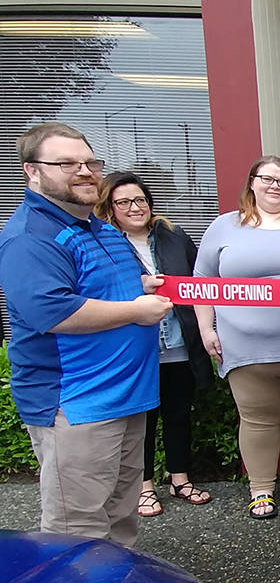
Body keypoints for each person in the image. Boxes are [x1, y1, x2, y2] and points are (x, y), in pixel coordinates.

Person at [0, 122, 171, 545]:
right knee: (75, 531)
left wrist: (141, 288)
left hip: (128, 396)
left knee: (120, 518)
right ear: (32, 171)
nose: (84, 171)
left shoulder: (102, 229)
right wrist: (135, 309)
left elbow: (101, 288)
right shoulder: (30, 237)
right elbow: (53, 311)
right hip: (76, 404)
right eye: (66, 163)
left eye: (90, 162)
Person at [194, 156, 280, 521]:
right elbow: (202, 282)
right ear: (251, 183)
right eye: (266, 179)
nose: (275, 186)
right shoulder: (224, 227)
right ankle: (261, 488)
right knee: (256, 418)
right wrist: (207, 328)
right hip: (245, 346)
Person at [95, 172, 215, 517]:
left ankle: (180, 478)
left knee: (179, 415)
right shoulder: (105, 243)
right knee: (142, 421)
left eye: (140, 200)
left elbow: (199, 282)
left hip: (178, 344)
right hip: (135, 350)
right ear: (110, 207)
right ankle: (143, 487)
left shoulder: (174, 236)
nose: (135, 208)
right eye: (124, 202)